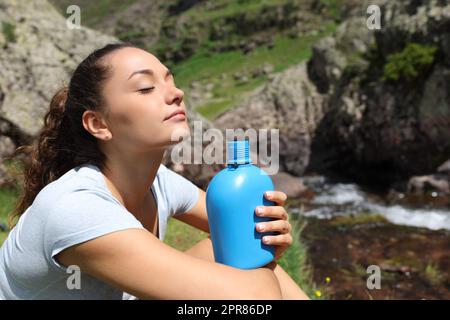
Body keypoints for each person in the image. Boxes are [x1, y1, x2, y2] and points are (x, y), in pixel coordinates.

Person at [0, 43, 309, 300]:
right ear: (99, 124)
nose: (176, 94)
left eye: (171, 81)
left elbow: (233, 225)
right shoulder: (77, 208)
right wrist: (256, 255)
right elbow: (253, 300)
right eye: (146, 87)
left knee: (227, 249)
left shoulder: (158, 181)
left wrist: (266, 232)